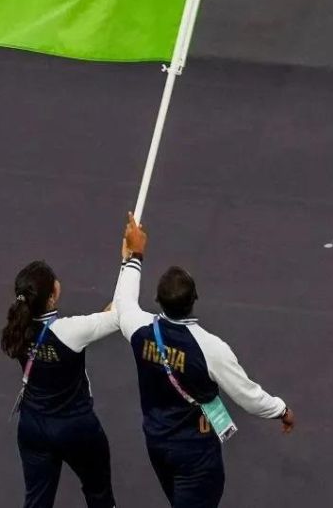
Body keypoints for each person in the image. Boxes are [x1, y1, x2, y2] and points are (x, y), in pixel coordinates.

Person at [115, 213, 294, 508]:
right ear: (194, 298)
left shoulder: (137, 328)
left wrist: (133, 255)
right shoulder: (211, 348)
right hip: (195, 453)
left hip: (157, 443)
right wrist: (282, 410)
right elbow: (248, 396)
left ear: (158, 301)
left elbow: (123, 303)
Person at [0, 260, 118, 508]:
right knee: (99, 495)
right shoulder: (69, 331)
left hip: (32, 426)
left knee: (37, 502)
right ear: (51, 297)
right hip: (76, 429)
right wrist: (130, 260)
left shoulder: (17, 328)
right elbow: (115, 315)